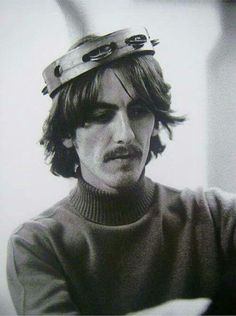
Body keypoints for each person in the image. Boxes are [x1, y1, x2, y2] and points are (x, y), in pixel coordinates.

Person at [7, 27, 236, 315]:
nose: (125, 135)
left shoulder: (219, 218)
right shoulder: (38, 245)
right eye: (101, 116)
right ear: (66, 133)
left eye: (139, 111)